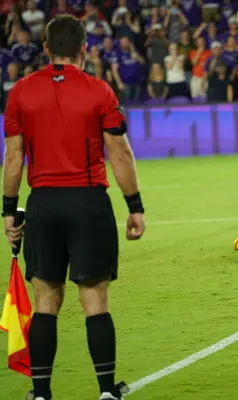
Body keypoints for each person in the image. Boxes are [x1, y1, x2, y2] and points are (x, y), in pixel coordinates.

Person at [2, 15, 145, 400]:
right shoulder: (100, 91)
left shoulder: (20, 93)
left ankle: (42, 392)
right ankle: (105, 391)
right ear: (85, 49)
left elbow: (13, 159)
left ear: (46, 49)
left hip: (43, 204)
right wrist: (134, 205)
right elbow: (120, 153)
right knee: (94, 300)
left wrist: (10, 211)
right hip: (88, 203)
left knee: (45, 301)